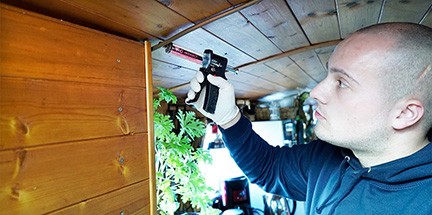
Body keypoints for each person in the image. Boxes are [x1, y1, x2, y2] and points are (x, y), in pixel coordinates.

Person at [186, 22, 432, 214]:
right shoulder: (328, 155)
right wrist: (228, 118)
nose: (315, 92)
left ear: (404, 114)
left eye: (342, 83)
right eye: (328, 74)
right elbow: (269, 169)